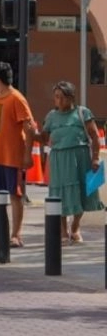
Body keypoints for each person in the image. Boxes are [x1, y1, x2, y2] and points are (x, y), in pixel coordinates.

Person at [33, 81, 101, 244]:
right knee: (59, 194)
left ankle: (75, 226)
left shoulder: (82, 113)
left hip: (80, 157)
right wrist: (31, 133)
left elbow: (95, 136)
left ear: (71, 98)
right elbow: (44, 138)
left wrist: (96, 158)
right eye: (56, 97)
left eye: (61, 97)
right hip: (59, 159)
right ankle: (63, 230)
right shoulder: (51, 116)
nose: (58, 101)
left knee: (82, 192)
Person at [0, 61, 37, 248]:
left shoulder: (16, 98)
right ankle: (1, 234)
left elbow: (29, 127)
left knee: (15, 195)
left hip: (12, 156)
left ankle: (16, 235)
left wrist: (27, 155)